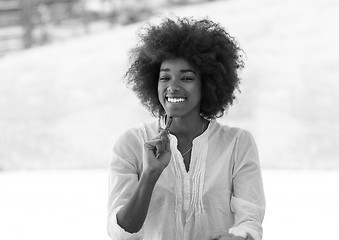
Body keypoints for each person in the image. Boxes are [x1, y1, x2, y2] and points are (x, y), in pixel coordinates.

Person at [107, 17, 265, 240]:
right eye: (165, 77)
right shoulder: (131, 144)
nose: (173, 86)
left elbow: (249, 222)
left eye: (187, 77)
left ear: (208, 83)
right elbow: (120, 233)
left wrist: (238, 237)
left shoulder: (238, 143)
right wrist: (150, 174)